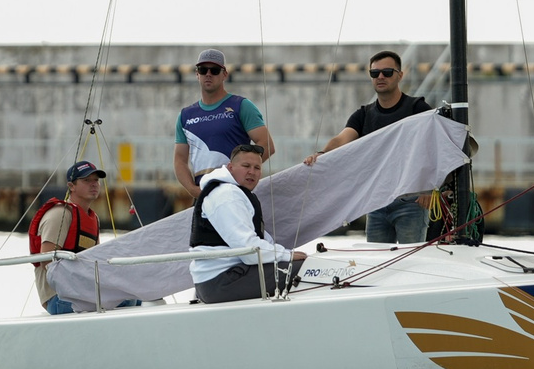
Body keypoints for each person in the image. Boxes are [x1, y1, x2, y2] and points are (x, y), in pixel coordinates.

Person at [303, 49, 435, 244]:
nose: (380, 77)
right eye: (375, 73)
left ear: (400, 75)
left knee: (409, 263)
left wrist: (429, 188)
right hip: (376, 202)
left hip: (411, 201)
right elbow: (342, 139)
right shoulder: (363, 114)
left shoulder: (418, 109)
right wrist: (322, 153)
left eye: (387, 72)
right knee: (376, 264)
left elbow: (434, 147)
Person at [188, 143, 304, 305]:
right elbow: (248, 250)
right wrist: (288, 256)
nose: (252, 172)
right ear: (230, 168)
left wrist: (288, 255)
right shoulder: (227, 195)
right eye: (246, 166)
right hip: (222, 281)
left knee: (303, 266)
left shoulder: (233, 192)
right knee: (308, 270)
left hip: (221, 279)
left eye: (257, 168)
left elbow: (258, 241)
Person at [171, 48, 275, 196]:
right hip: (204, 195)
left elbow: (267, 145)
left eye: (214, 70)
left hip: (235, 192)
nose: (208, 74)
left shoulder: (241, 106)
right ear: (197, 74)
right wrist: (194, 190)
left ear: (224, 74)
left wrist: (240, 175)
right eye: (203, 70)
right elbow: (179, 160)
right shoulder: (185, 116)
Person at [27, 160, 106, 315]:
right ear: (71, 186)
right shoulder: (60, 214)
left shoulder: (93, 219)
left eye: (96, 180)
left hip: (84, 293)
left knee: (133, 297)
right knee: (127, 300)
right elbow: (47, 260)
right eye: (86, 180)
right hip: (59, 298)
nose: (94, 184)